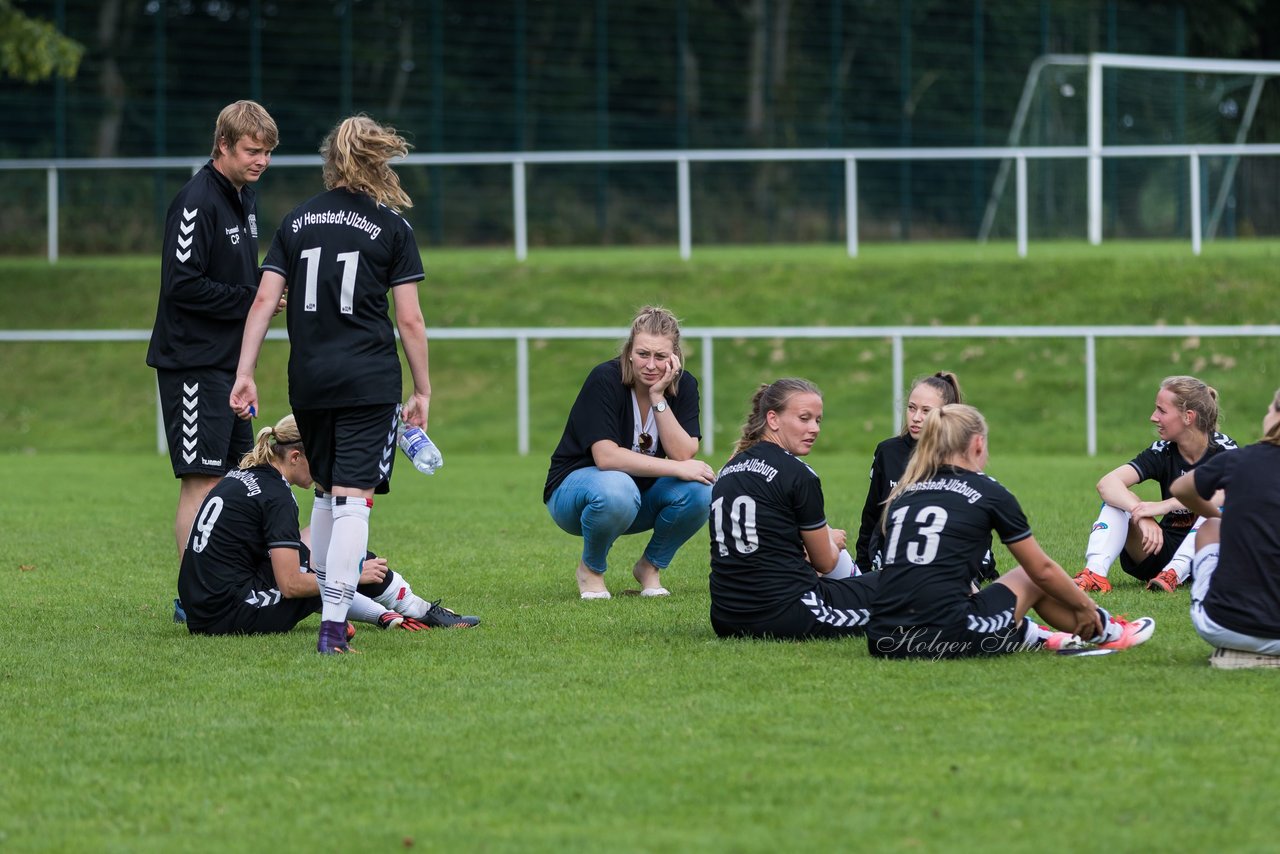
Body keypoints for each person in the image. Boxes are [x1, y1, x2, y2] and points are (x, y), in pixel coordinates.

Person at [231, 114, 431, 654]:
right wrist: (423, 389)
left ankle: (330, 613)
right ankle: (332, 624)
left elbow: (263, 301)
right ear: (378, 160)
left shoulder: (295, 222)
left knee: (323, 493)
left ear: (331, 162)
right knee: (353, 501)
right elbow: (409, 320)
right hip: (367, 380)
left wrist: (245, 372)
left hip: (310, 382)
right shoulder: (392, 226)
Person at [866, 403, 1155, 660]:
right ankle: (1110, 631)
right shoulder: (988, 491)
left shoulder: (904, 493)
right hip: (942, 638)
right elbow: (1041, 570)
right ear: (978, 444)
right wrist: (1087, 608)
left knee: (977, 595)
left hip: (882, 638)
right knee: (1029, 575)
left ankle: (1036, 634)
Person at [178, 415, 478, 639]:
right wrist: (354, 576)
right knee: (333, 565)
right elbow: (291, 585)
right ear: (295, 456)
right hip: (225, 614)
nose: (325, 466)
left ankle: (393, 612)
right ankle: (417, 609)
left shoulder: (247, 474)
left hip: (204, 605)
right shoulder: (277, 497)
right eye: (320, 457)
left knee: (331, 547)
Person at [147, 100, 280, 568]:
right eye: (252, 150)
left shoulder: (244, 197)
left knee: (239, 477)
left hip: (230, 367)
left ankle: (232, 579)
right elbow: (181, 285)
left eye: (267, 152)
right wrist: (250, 298)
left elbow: (236, 277)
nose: (261, 160)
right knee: (201, 480)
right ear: (223, 144)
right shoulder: (196, 200)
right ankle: (193, 594)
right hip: (192, 365)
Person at [544, 306, 715, 600]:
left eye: (660, 357)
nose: (650, 365)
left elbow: (683, 452)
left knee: (701, 489)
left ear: (674, 357)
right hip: (575, 496)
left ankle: (650, 568)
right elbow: (606, 458)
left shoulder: (684, 385)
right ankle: (591, 570)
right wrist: (676, 469)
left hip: (634, 496)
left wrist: (659, 396)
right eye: (643, 354)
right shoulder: (605, 378)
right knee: (617, 486)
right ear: (629, 351)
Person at [709, 379, 878, 640]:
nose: (814, 428)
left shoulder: (728, 469)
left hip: (725, 615)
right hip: (788, 613)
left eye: (818, 420)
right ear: (773, 419)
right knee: (901, 584)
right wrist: (831, 541)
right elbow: (825, 561)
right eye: (804, 418)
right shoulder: (799, 474)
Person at [1074, 375, 1236, 594]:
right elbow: (1107, 484)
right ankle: (1094, 573)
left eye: (1162, 410)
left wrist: (1165, 506)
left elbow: (1230, 492)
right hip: (1159, 549)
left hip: (1207, 557)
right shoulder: (1163, 450)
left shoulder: (1224, 449)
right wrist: (1141, 514)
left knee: (1218, 507)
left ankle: (1176, 571)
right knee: (1116, 503)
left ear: (1188, 416)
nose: (1153, 417)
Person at [1172, 388, 1280, 669]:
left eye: (1270, 408)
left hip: (1223, 625)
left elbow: (1180, 488)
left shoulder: (1241, 459)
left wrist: (1220, 515)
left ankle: (1244, 652)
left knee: (1210, 528)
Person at [854, 371, 972, 573]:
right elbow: (872, 514)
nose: (916, 418)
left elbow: (972, 522)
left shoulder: (960, 456)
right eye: (911, 408)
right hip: (890, 565)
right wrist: (862, 566)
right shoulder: (887, 452)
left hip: (940, 566)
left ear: (947, 414)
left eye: (926, 411)